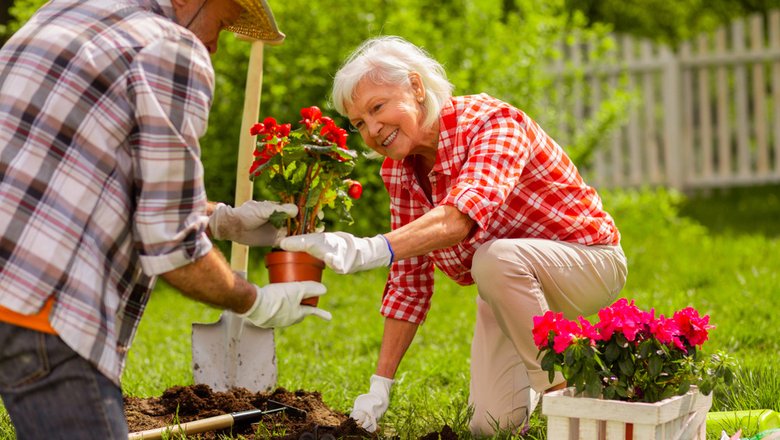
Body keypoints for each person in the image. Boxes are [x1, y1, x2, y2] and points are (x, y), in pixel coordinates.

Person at [0, 0, 329, 438]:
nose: (214, 44)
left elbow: (78, 177)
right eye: (222, 22)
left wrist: (223, 221)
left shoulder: (62, 13)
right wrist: (258, 302)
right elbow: (173, 250)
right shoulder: (172, 48)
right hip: (41, 307)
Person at [280, 35, 628, 435]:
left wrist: (371, 249)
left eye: (377, 107)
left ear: (415, 86)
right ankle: (566, 370)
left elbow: (461, 217)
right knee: (490, 426)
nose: (373, 129)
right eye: (359, 123)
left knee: (494, 260)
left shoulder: (491, 122)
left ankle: (571, 400)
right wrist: (381, 385)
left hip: (588, 262)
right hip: (510, 289)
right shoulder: (400, 170)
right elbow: (409, 283)